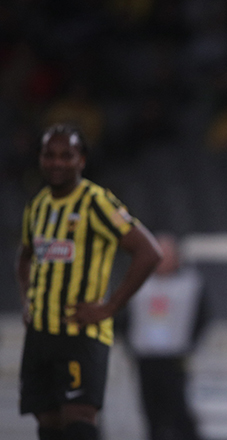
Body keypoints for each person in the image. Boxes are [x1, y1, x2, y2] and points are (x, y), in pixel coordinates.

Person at [15, 123, 162, 440]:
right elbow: (24, 257)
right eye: (49, 155)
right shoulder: (37, 205)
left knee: (79, 417)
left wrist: (110, 307)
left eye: (66, 155)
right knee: (48, 421)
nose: (56, 162)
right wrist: (28, 301)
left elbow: (149, 252)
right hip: (41, 334)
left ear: (81, 160)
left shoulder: (96, 201)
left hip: (81, 333)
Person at [125, 233, 206, 440]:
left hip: (174, 358)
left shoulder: (190, 284)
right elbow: (125, 317)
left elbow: (202, 318)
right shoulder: (138, 282)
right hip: (145, 357)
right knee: (150, 411)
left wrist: (191, 344)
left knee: (178, 412)